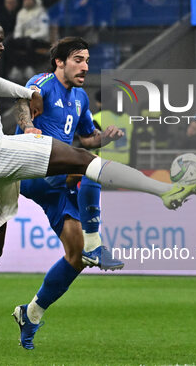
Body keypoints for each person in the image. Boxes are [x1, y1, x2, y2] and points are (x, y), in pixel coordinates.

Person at [0, 16, 196, 354]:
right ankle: (163, 192)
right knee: (81, 164)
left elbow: (1, 88)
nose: (3, 45)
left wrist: (28, 93)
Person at [15, 39, 126, 272]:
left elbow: (87, 138)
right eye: (78, 60)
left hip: (55, 179)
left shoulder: (81, 97)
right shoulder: (42, 82)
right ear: (59, 62)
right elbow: (25, 100)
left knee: (76, 257)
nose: (85, 67)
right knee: (95, 167)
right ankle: (95, 244)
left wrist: (105, 136)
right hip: (32, 170)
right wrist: (27, 126)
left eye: (86, 61)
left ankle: (32, 309)